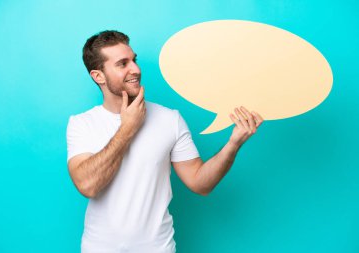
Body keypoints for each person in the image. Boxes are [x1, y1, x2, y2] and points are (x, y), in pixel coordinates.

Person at [66, 30, 264, 253]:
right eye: (122, 64)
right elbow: (87, 185)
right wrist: (127, 129)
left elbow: (200, 183)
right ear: (98, 76)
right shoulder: (82, 123)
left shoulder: (169, 119)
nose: (136, 69)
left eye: (134, 60)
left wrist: (233, 144)